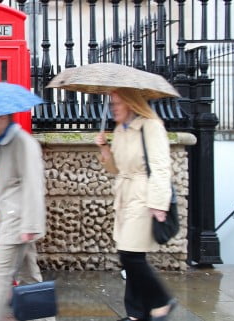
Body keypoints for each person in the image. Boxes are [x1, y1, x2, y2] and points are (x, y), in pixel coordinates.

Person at [94, 88, 177, 321]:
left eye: (118, 103)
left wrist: (159, 204)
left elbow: (161, 167)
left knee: (130, 255)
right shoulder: (120, 130)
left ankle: (162, 301)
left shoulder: (151, 126)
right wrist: (104, 148)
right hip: (125, 196)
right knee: (130, 255)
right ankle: (136, 313)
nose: (114, 108)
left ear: (131, 103)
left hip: (144, 196)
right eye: (112, 103)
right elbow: (116, 170)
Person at [0, 114, 49, 321]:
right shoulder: (3, 143)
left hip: (18, 225)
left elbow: (34, 184)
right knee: (30, 280)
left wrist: (30, 226)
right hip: (11, 221)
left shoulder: (23, 143)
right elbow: (4, 182)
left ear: (3, 117)